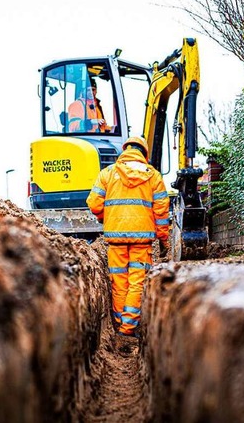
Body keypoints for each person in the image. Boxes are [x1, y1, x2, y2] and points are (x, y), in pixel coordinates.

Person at [86, 136, 170, 355]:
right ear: (144, 153)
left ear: (125, 150)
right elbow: (161, 213)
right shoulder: (153, 176)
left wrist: (108, 216)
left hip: (115, 238)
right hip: (142, 241)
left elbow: (94, 203)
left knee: (119, 282)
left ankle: (119, 325)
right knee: (136, 283)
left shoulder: (108, 174)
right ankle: (128, 329)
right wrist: (164, 239)